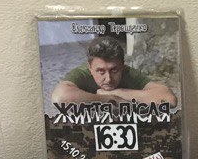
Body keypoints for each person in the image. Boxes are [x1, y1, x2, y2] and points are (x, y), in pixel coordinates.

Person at [49, 35, 177, 108]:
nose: (108, 79)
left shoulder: (129, 73)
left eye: (114, 70)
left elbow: (169, 100)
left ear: (122, 66)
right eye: (101, 71)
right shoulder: (81, 73)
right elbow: (60, 98)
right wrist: (110, 99)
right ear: (90, 68)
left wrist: (117, 92)